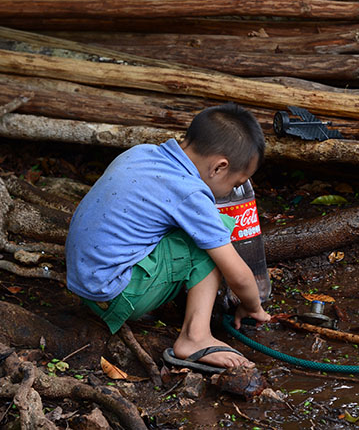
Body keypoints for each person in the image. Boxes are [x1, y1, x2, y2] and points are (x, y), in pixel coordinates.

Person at [65, 103, 271, 370]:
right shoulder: (189, 192)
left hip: (86, 285)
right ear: (219, 167)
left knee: (195, 229)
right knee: (214, 231)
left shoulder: (141, 153)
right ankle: (194, 337)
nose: (230, 191)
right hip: (117, 295)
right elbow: (240, 276)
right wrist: (253, 306)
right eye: (235, 184)